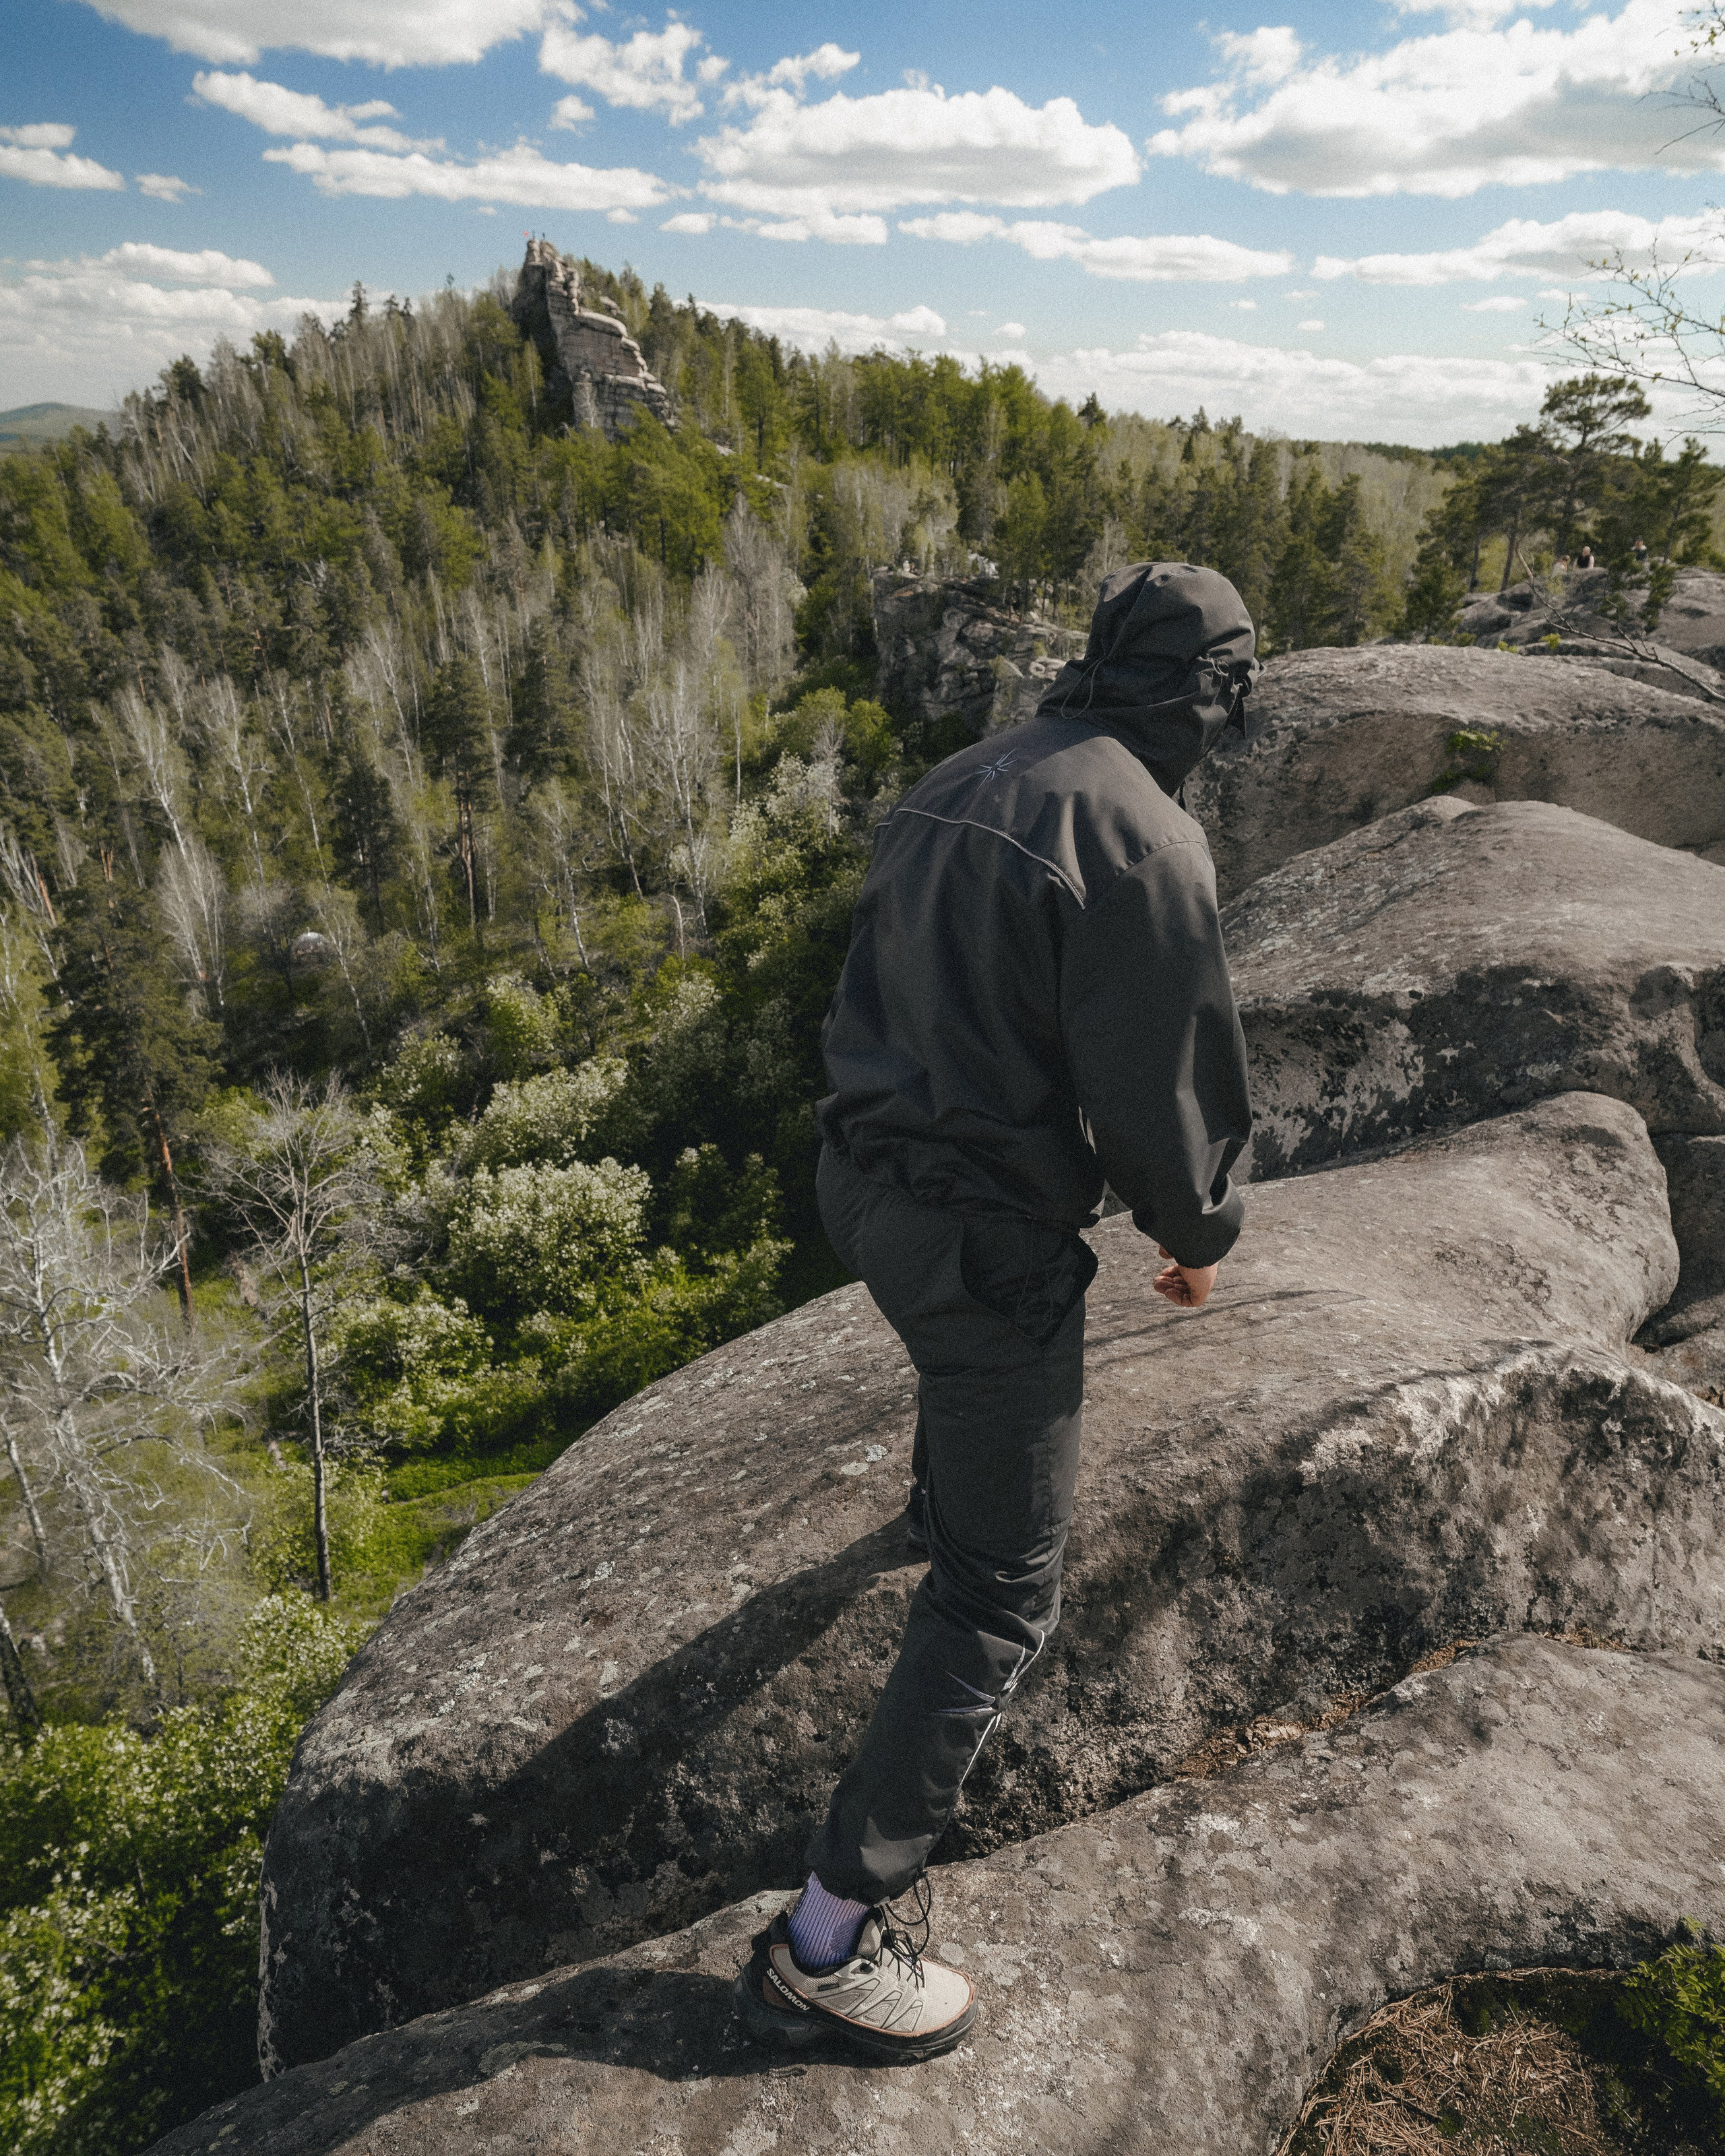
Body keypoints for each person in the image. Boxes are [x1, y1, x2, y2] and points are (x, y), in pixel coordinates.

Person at [733, 562, 1258, 2061]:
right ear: (1212, 694)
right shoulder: (1143, 836)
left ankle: (932, 1506)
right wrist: (1192, 1233)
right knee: (996, 1596)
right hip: (979, 1242)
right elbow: (1160, 1086)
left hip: (857, 1181)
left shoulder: (964, 774)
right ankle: (825, 1941)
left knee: (958, 1395)